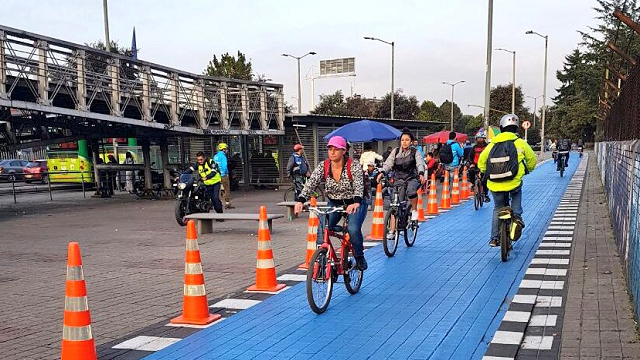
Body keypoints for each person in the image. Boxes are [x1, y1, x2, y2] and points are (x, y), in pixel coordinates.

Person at [294, 136, 368, 271]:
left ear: (343, 150)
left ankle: (359, 256)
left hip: (356, 203)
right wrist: (301, 200)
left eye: (336, 149)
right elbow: (311, 183)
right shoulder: (324, 165)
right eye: (330, 149)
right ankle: (321, 262)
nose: (332, 152)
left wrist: (356, 202)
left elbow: (359, 185)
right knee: (323, 229)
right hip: (335, 203)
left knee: (353, 229)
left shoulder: (353, 165)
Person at [478, 114, 537, 247]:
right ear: (516, 129)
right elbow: (532, 161)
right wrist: (528, 170)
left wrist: (484, 171)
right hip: (513, 182)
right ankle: (516, 218)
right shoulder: (520, 143)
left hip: (494, 183)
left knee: (497, 208)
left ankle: (494, 238)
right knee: (516, 201)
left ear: (501, 128)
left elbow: (481, 162)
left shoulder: (492, 144)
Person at [377, 128, 426, 239]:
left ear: (411, 141)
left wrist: (421, 174)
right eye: (402, 140)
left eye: (407, 140)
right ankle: (392, 231)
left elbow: (420, 164)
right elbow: (388, 164)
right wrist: (382, 172)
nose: (404, 142)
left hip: (411, 178)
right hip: (398, 179)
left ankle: (414, 211)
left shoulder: (415, 152)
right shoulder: (395, 152)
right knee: (395, 205)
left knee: (411, 191)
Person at [469, 129, 491, 202]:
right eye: (478, 139)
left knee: (484, 181)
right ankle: (473, 184)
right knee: (471, 171)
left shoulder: (487, 147)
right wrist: (471, 163)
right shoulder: (474, 147)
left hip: (484, 166)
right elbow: (470, 156)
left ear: (483, 139)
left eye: (481, 138)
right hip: (475, 165)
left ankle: (486, 194)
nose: (479, 140)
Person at [214, 143, 234, 209]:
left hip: (216, 175)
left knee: (219, 189)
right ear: (223, 149)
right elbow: (225, 166)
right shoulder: (223, 156)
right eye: (226, 149)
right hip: (223, 175)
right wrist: (225, 173)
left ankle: (218, 204)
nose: (227, 150)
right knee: (226, 189)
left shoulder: (215, 156)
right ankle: (227, 204)